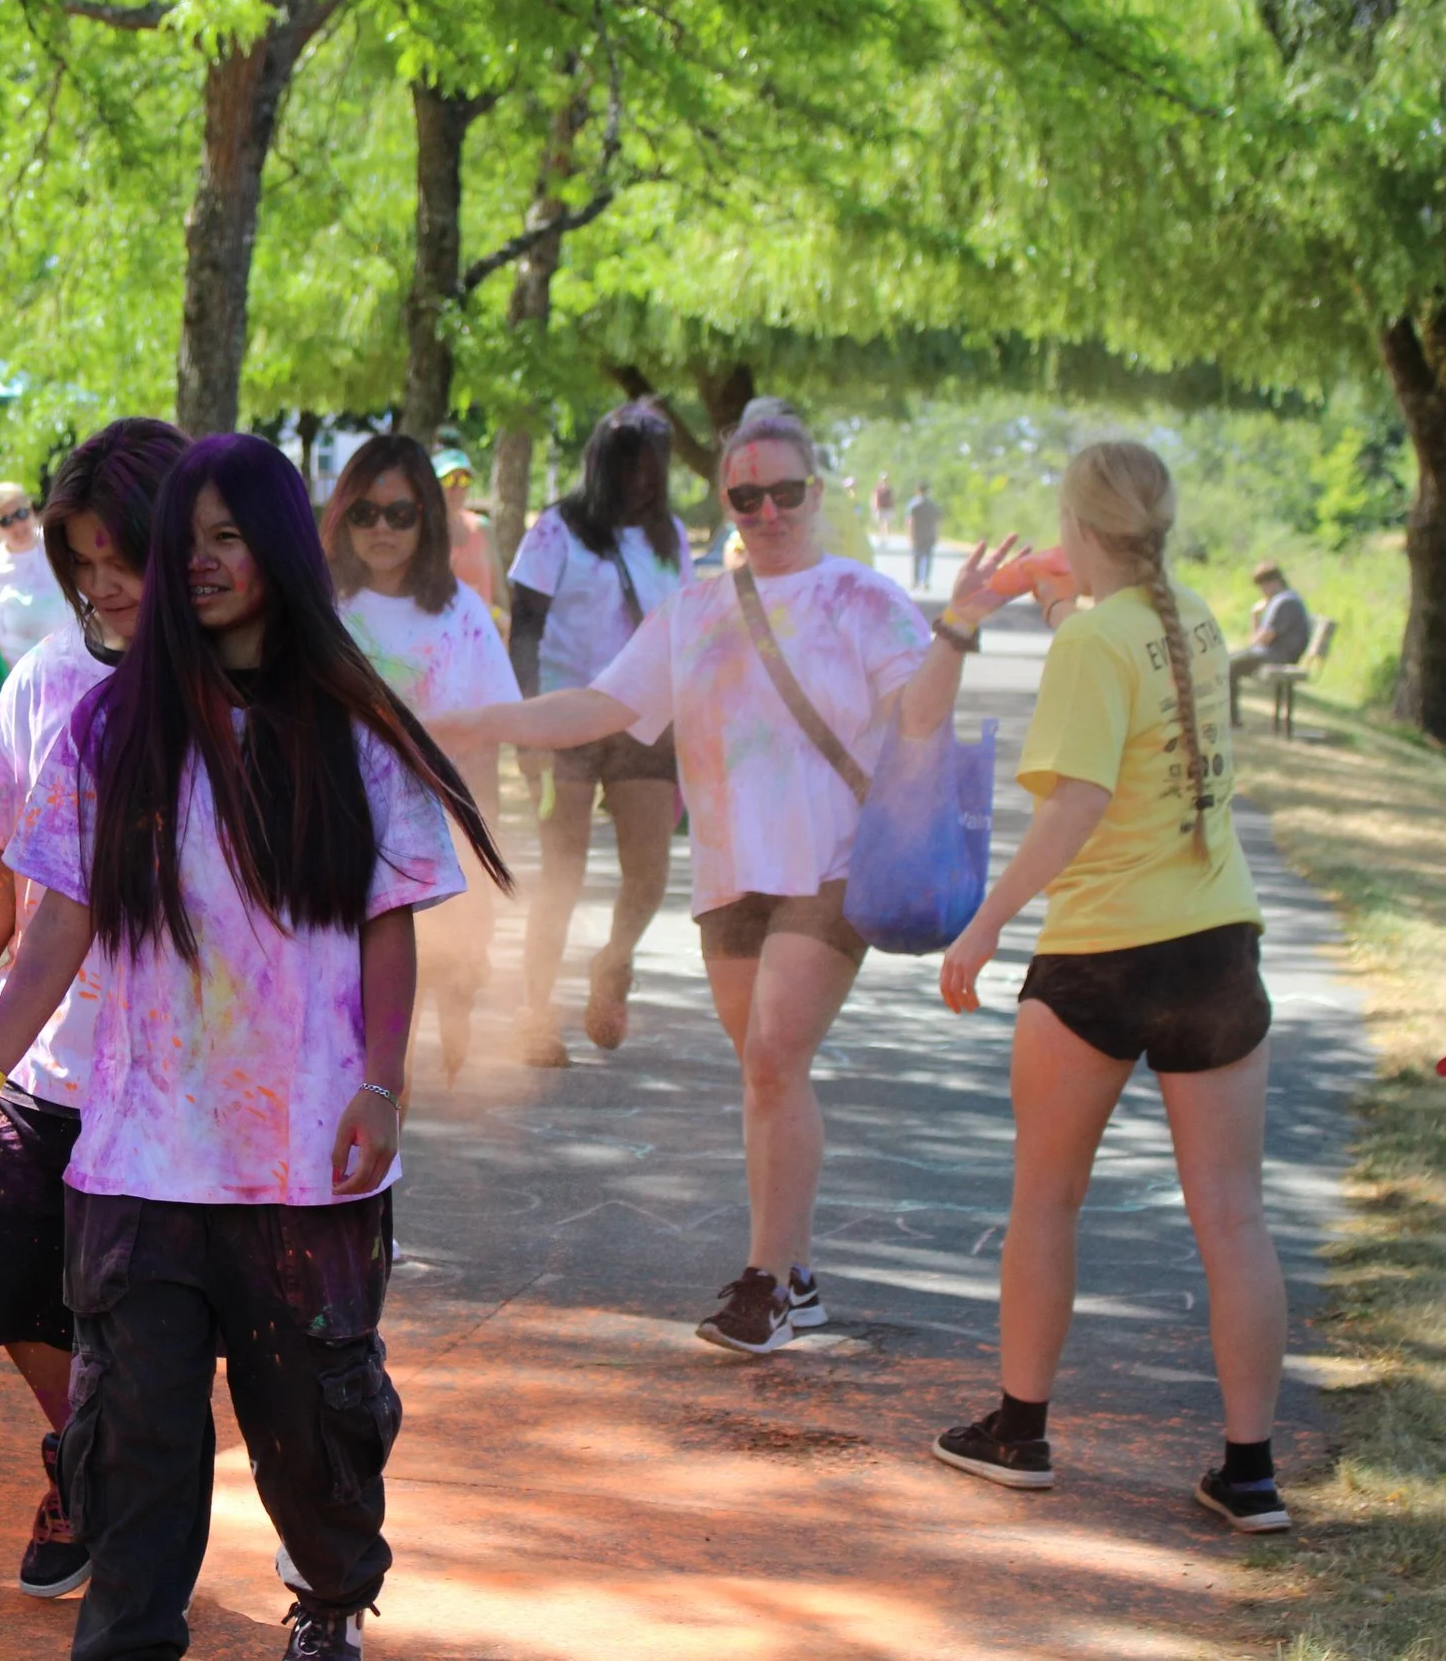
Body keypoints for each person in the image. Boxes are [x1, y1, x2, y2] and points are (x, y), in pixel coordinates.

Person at [0, 433, 507, 1661]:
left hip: (303, 1158)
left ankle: (332, 1591)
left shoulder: (354, 732)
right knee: (132, 1444)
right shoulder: (104, 732)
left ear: (282, 547)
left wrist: (382, 1087)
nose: (204, 565)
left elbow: (386, 927)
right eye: (186, 543)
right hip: (138, 1160)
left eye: (231, 538)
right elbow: (57, 922)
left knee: (311, 1437)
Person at [434, 401, 1017, 1357]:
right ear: (727, 502)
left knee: (775, 1055)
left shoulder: (862, 598)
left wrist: (956, 625)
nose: (769, 510)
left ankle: (766, 1283)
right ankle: (797, 1272)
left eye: (786, 492)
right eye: (748, 495)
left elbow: (917, 716)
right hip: (730, 874)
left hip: (833, 868)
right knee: (767, 1073)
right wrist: (486, 719)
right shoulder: (697, 608)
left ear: (816, 493)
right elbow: (601, 705)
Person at [932, 441, 1290, 1534]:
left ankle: (1020, 1429)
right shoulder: (1194, 620)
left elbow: (1079, 795)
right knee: (1232, 1216)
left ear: (1081, 528)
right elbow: (1134, 715)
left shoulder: (1095, 637)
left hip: (1101, 952)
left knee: (1046, 1194)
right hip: (1215, 942)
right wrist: (1063, 609)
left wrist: (985, 922)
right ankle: (1250, 1471)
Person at [0, 416, 189, 1604]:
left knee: (192, 1319)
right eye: (83, 564)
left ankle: (293, 1507)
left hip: (191, 1084)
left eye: (128, 558)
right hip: (52, 1058)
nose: (105, 588)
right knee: (9, 1274)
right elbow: (2, 868)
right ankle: (87, 1452)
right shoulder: (44, 679)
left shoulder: (243, 689)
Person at [328, 433, 520, 1080]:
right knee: (365, 1046)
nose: (381, 528)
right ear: (343, 515)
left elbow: (497, 718)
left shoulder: (461, 613)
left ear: (427, 519)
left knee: (402, 1035)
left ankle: (455, 1002)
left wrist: (481, 819)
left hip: (431, 838)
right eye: (365, 512)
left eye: (400, 513)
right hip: (339, 835)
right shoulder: (321, 609)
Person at [503, 402, 688, 1066]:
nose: (645, 477)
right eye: (632, 463)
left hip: (645, 724)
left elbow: (686, 634)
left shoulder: (670, 536)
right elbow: (523, 625)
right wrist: (528, 727)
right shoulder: (557, 530)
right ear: (602, 464)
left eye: (654, 465)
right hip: (566, 716)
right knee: (563, 871)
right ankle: (535, 1014)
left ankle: (614, 962)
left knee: (650, 870)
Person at [0, 479, 74, 669]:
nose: (17, 526)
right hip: (23, 668)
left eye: (21, 513)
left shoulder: (58, 543)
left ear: (31, 510)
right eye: (5, 521)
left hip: (73, 657)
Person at [1227, 561, 1312, 728]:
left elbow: (1262, 639)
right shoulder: (1284, 599)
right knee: (1229, 660)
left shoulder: (1284, 603)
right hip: (1275, 652)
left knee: (1229, 664)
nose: (1262, 591)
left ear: (1273, 582)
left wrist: (1255, 616)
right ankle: (1231, 718)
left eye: (1262, 586)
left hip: (1279, 655)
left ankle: (1232, 719)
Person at [432, 447, 505, 621]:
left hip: (483, 634)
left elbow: (499, 593)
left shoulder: (482, 527)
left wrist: (501, 619)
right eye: (449, 480)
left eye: (464, 480)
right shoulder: (421, 534)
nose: (457, 488)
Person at [907, 481, 942, 591]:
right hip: (929, 535)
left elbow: (910, 522)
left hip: (917, 535)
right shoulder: (932, 505)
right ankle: (926, 581)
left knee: (916, 559)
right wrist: (937, 534)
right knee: (928, 559)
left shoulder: (914, 505)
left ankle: (916, 581)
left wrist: (910, 535)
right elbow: (938, 521)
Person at [872, 472, 895, 547]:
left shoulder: (889, 488)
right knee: (880, 524)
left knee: (886, 524)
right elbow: (875, 497)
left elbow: (892, 498)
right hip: (880, 508)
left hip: (887, 508)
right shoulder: (878, 488)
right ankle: (880, 538)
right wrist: (875, 507)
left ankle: (886, 539)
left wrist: (893, 506)